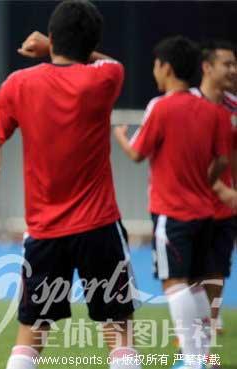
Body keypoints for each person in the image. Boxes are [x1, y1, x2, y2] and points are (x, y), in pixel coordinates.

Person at [0, 1, 142, 368]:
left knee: (30, 334)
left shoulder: (19, 84)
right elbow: (101, 59)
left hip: (45, 234)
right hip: (99, 228)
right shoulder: (106, 77)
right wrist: (53, 46)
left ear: (54, 35)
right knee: (118, 330)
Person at [113, 36, 230, 369]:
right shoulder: (213, 112)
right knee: (194, 284)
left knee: (174, 283)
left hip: (172, 213)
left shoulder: (161, 107)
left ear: (165, 66)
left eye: (155, 64)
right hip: (206, 211)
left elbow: (137, 154)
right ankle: (199, 357)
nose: (154, 69)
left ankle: (193, 360)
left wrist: (121, 135)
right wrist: (204, 180)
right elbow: (222, 160)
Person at [190, 41, 237, 337]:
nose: (233, 70)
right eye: (227, 64)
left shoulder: (234, 108)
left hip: (224, 205)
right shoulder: (187, 103)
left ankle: (211, 322)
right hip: (190, 202)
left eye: (235, 64)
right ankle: (195, 330)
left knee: (218, 266)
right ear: (207, 67)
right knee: (190, 272)